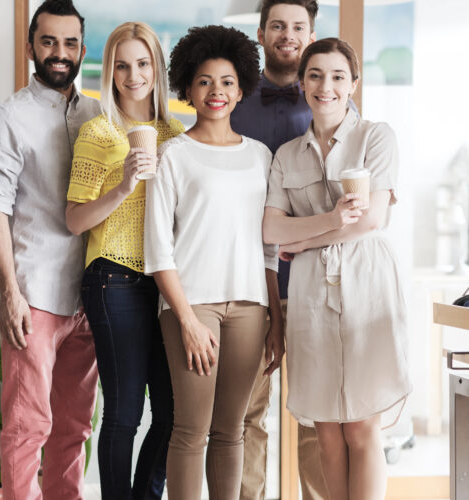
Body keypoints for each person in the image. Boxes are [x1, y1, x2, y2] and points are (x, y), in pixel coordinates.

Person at [263, 38, 412, 500]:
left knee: (362, 427)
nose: (325, 86)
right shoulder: (287, 155)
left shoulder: (376, 136)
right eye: (315, 75)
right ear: (302, 82)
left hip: (367, 283)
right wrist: (328, 221)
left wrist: (304, 237)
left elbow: (371, 218)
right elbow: (271, 227)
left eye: (337, 76)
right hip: (310, 292)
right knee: (327, 430)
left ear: (353, 84)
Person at [144, 25, 284, 500]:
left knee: (232, 430)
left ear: (242, 87)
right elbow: (157, 248)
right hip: (192, 306)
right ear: (188, 89)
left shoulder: (261, 157)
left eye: (226, 81)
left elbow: (269, 247)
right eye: (204, 81)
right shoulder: (173, 155)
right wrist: (184, 319)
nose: (216, 91)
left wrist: (276, 320)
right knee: (191, 429)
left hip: (250, 306)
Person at [0, 1, 100, 498]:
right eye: (48, 41)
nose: (59, 53)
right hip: (35, 295)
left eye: (70, 43)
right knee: (28, 428)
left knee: (74, 430)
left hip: (89, 298)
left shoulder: (97, 114)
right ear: (30, 47)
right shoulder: (10, 117)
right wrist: (10, 292)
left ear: (82, 50)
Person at [65, 22, 184, 499]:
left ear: (156, 67)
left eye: (142, 63)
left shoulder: (175, 134)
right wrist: (122, 186)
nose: (133, 75)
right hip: (113, 278)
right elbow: (75, 220)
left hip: (164, 281)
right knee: (124, 411)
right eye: (121, 65)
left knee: (174, 413)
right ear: (109, 72)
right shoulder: (99, 132)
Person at [230, 1, 328, 498]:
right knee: (245, 416)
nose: (287, 35)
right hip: (247, 287)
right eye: (278, 26)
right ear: (262, 32)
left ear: (311, 32)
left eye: (297, 27)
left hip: (317, 287)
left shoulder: (331, 106)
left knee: (318, 420)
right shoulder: (233, 103)